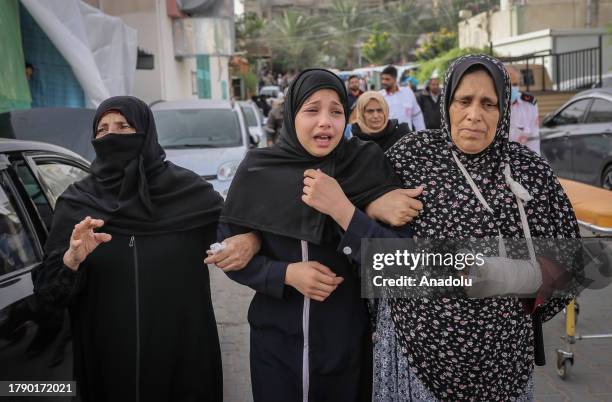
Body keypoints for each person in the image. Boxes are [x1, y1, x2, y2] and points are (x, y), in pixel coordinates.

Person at [371, 54, 580, 400]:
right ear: (446, 102)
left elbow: (568, 265)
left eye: (488, 103)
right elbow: (363, 228)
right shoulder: (411, 156)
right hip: (412, 354)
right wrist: (373, 204)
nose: (474, 115)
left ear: (503, 111)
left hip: (503, 363)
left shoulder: (529, 171)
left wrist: (511, 280)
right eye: (464, 101)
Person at [209, 69, 421, 402]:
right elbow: (228, 254)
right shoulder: (259, 170)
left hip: (350, 344)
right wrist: (284, 273)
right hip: (275, 346)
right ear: (292, 114)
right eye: (312, 110)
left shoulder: (366, 166)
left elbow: (402, 266)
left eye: (336, 111)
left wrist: (343, 210)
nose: (325, 121)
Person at [33, 96, 259, 402]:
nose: (112, 135)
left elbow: (238, 235)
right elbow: (48, 295)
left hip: (182, 359)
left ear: (146, 133)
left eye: (124, 126)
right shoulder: (77, 204)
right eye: (103, 129)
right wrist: (71, 259)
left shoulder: (191, 195)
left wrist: (251, 239)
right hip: (106, 363)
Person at [506, 65, 541, 155]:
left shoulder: (529, 105)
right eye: (508, 84)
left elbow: (534, 139)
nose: (512, 88)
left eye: (515, 84)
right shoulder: (491, 106)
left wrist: (535, 163)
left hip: (522, 160)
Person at [379, 65, 426, 132]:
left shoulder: (408, 92)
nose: (384, 82)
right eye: (382, 79)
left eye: (387, 79)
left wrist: (422, 134)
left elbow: (417, 116)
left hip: (407, 137)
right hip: (387, 138)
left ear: (395, 79)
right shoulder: (379, 96)